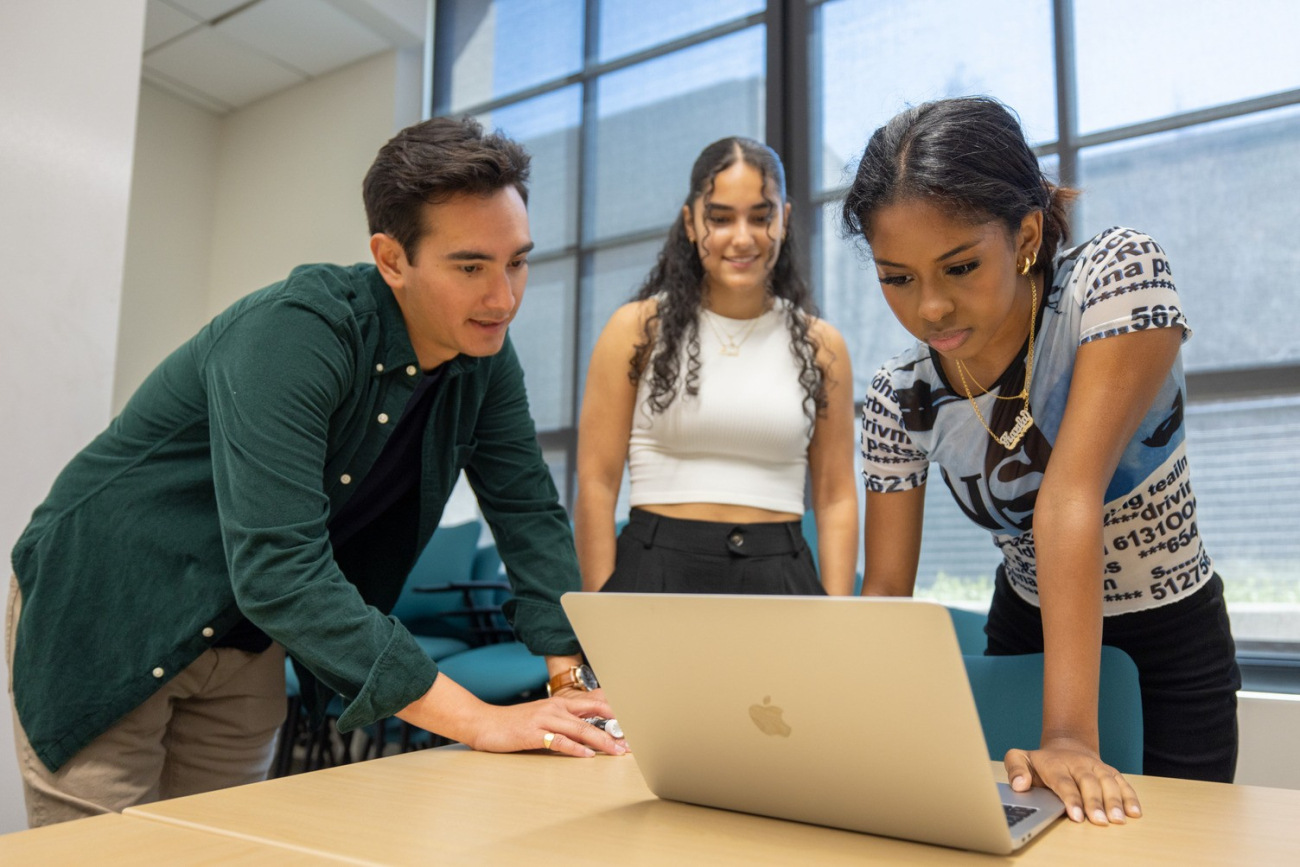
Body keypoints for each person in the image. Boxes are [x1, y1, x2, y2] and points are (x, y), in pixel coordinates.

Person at [7, 116, 625, 828]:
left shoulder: (484, 356)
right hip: (113, 603)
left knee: (221, 846)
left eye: (517, 262)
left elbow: (526, 510)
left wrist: (573, 685)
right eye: (470, 267)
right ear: (391, 259)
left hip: (244, 630)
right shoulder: (296, 331)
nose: (504, 298)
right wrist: (482, 719)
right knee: (103, 854)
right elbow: (280, 568)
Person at [843, 96, 1241, 826]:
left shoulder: (1115, 280)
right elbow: (887, 589)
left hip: (1169, 640)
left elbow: (1068, 496)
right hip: (1024, 639)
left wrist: (1068, 737)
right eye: (897, 277)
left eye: (960, 266)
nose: (930, 308)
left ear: (1025, 234)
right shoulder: (900, 395)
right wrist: (849, 721)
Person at [576, 137, 857, 596]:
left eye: (761, 217)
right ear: (691, 223)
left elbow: (836, 497)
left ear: (784, 220)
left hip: (781, 576)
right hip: (652, 573)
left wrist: (838, 614)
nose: (742, 237)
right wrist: (598, 609)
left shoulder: (822, 345)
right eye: (721, 218)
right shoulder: (637, 329)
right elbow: (596, 483)